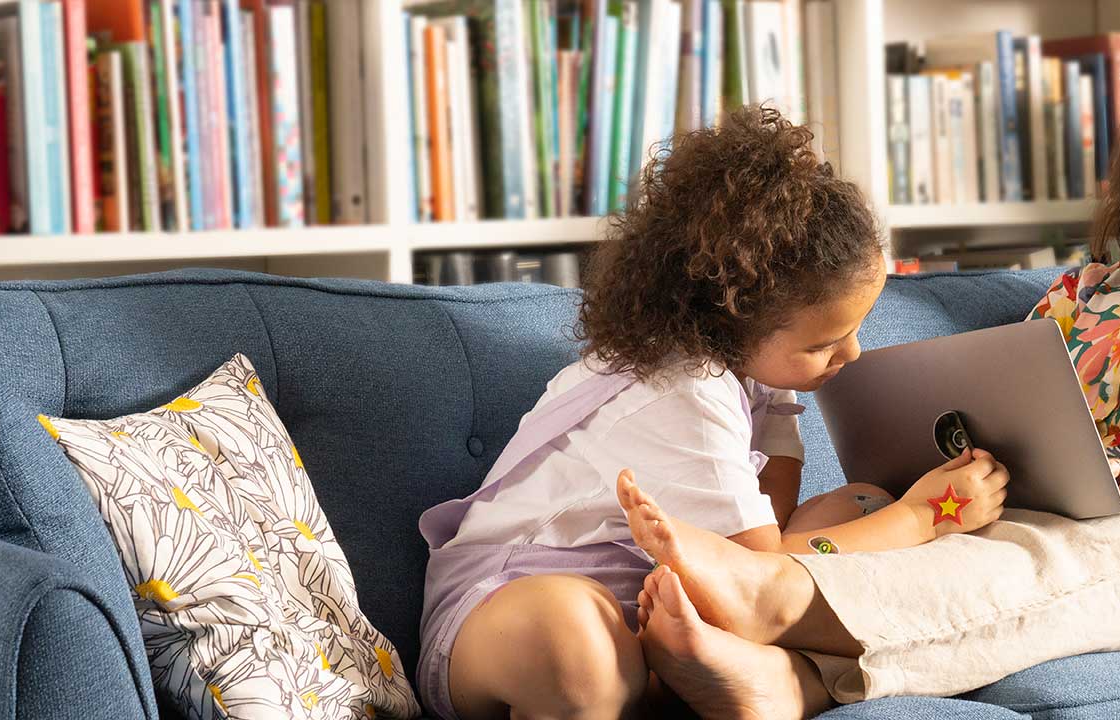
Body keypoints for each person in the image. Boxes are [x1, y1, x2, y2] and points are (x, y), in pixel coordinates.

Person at [621, 44, 1120, 718]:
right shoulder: (1084, 290)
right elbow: (1012, 408)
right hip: (1071, 516)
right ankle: (786, 686)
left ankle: (775, 593)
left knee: (1058, 563)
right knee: (936, 529)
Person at [414, 107, 1015, 720]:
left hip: (658, 596)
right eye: (822, 343)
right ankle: (667, 679)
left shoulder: (754, 369)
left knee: (861, 503)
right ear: (732, 317)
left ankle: (680, 670)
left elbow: (768, 534)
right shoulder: (684, 390)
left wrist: (883, 512)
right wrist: (925, 516)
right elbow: (757, 574)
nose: (852, 354)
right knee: (578, 643)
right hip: (507, 606)